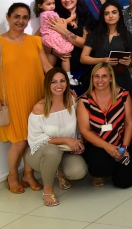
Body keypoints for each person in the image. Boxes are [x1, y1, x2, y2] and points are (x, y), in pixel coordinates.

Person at [0, 3, 53, 194]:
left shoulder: (35, 41)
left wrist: (61, 85)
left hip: (35, 96)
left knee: (33, 139)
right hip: (12, 99)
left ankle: (28, 174)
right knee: (19, 141)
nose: (20, 21)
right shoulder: (0, 42)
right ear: (8, 17)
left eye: (24, 17)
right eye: (16, 16)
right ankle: (12, 175)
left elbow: (46, 67)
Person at [25, 68, 87, 206]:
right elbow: (36, 140)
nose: (59, 85)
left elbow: (79, 128)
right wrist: (66, 140)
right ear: (47, 84)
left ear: (67, 83)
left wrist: (79, 142)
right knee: (53, 151)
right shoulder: (39, 108)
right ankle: (48, 191)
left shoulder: (72, 101)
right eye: (54, 82)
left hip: (65, 151)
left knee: (78, 171)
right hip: (40, 154)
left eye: (62, 81)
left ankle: (60, 172)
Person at [77, 63, 132, 188]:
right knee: (101, 167)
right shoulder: (84, 100)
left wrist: (124, 148)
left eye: (104, 76)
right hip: (99, 144)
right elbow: (85, 130)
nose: (100, 80)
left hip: (122, 142)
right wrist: (108, 147)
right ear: (92, 79)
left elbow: (129, 123)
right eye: (96, 76)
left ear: (111, 78)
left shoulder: (123, 95)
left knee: (125, 182)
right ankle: (101, 170)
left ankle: (116, 165)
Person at [50, 0, 95, 94]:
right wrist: (53, 51)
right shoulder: (55, 16)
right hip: (62, 72)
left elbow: (86, 44)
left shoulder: (85, 15)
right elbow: (38, 40)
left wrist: (64, 31)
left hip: (83, 69)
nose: (67, 0)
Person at [80, 0, 132, 94]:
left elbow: (129, 58)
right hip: (99, 79)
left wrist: (128, 62)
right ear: (103, 17)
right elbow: (83, 58)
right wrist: (103, 60)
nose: (111, 16)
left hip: (120, 78)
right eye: (106, 13)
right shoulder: (94, 35)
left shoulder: (127, 35)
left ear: (119, 15)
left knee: (123, 106)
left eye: (114, 12)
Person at [34, 0, 76, 84]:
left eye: (53, 3)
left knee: (50, 60)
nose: (52, 6)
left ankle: (47, 78)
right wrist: (72, 18)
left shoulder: (43, 14)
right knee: (66, 55)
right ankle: (68, 76)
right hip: (53, 37)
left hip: (47, 38)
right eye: (49, 4)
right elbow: (61, 23)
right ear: (40, 5)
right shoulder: (49, 14)